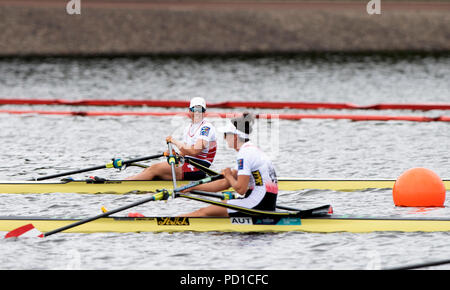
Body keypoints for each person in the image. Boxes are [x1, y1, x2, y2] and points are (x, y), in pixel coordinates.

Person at [180, 112, 278, 217]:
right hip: (266, 201)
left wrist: (228, 175)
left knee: (202, 212)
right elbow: (224, 184)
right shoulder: (251, 149)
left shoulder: (245, 154)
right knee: (213, 217)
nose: (225, 138)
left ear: (235, 137)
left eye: (226, 135)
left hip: (257, 203)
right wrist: (193, 187)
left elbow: (241, 189)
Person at [126, 97, 217, 181]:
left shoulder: (206, 128)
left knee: (154, 169)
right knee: (149, 169)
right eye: (194, 109)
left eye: (200, 110)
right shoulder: (188, 128)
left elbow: (194, 151)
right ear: (189, 111)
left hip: (198, 168)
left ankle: (126, 185)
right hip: (188, 164)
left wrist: (174, 141)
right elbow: (186, 152)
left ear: (204, 112)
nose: (197, 113)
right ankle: (126, 182)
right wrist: (176, 155)